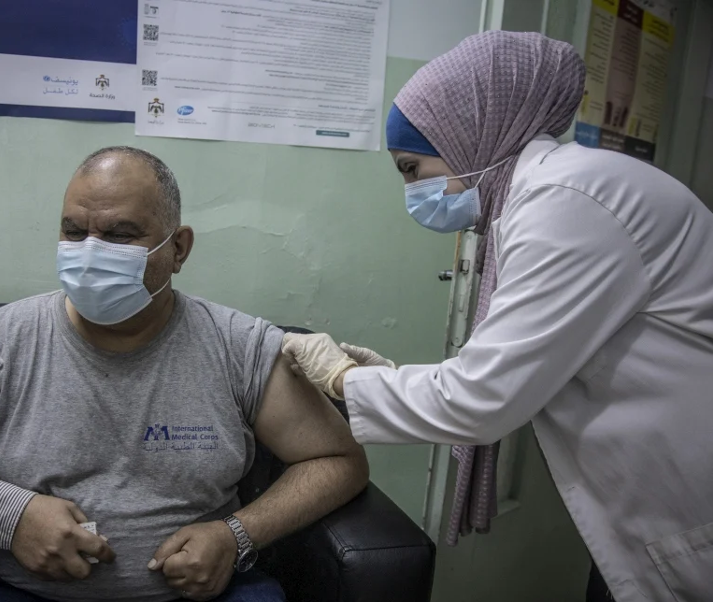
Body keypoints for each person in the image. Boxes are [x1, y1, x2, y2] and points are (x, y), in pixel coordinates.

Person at [281, 31, 713, 602]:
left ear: (470, 138)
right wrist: (383, 379)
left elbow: (483, 399)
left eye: (413, 169)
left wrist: (342, 379)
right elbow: (512, 369)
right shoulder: (548, 197)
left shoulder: (568, 202)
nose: (414, 193)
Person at [0, 146, 369, 602]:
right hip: (15, 590)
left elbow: (337, 460)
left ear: (179, 248)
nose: (91, 252)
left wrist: (237, 534)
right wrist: (8, 516)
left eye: (120, 235)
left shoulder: (238, 347)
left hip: (204, 595)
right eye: (74, 232)